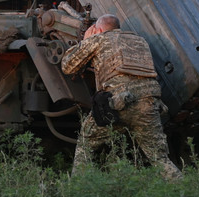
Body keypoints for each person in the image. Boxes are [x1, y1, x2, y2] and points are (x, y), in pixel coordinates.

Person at [61, 14, 182, 180]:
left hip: (117, 104)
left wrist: (87, 39)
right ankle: (185, 190)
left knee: (86, 141)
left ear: (98, 29)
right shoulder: (140, 41)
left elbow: (68, 66)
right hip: (149, 104)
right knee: (159, 159)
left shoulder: (99, 39)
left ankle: (77, 187)